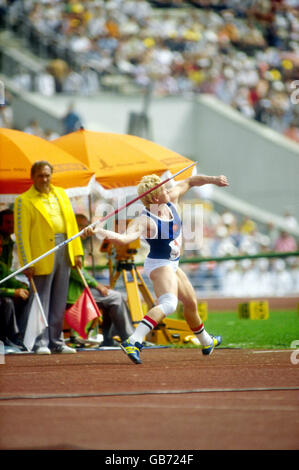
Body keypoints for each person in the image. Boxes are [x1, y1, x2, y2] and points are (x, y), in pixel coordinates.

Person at [85, 172, 229, 364]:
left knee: (191, 303)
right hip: (160, 265)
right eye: (162, 189)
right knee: (169, 304)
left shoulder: (172, 198)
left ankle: (207, 341)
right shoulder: (145, 220)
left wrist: (214, 180)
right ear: (154, 197)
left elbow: (190, 181)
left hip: (173, 264)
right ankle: (134, 341)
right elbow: (124, 239)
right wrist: (99, 231)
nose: (168, 190)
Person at [14, 161, 84, 354]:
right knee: (41, 298)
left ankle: (57, 341)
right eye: (40, 176)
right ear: (33, 177)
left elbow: (71, 224)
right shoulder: (24, 200)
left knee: (59, 298)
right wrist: (27, 262)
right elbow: (21, 234)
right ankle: (39, 342)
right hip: (41, 253)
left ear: (51, 175)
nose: (44, 179)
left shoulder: (61, 193)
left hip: (64, 247)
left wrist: (77, 252)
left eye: (47, 175)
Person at [66, 214, 134, 347]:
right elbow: (76, 271)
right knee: (116, 298)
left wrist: (98, 285)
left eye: (87, 226)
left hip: (78, 289)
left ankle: (108, 339)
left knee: (110, 298)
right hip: (73, 292)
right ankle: (130, 338)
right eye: (81, 226)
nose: (86, 229)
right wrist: (97, 285)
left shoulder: (76, 242)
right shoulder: (71, 243)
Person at [0, 234, 29, 352]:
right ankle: (6, 337)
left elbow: (10, 279)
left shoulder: (1, 266)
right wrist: (13, 292)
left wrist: (23, 287)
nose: (0, 250)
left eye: (1, 246)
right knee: (7, 302)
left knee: (25, 297)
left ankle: (21, 336)